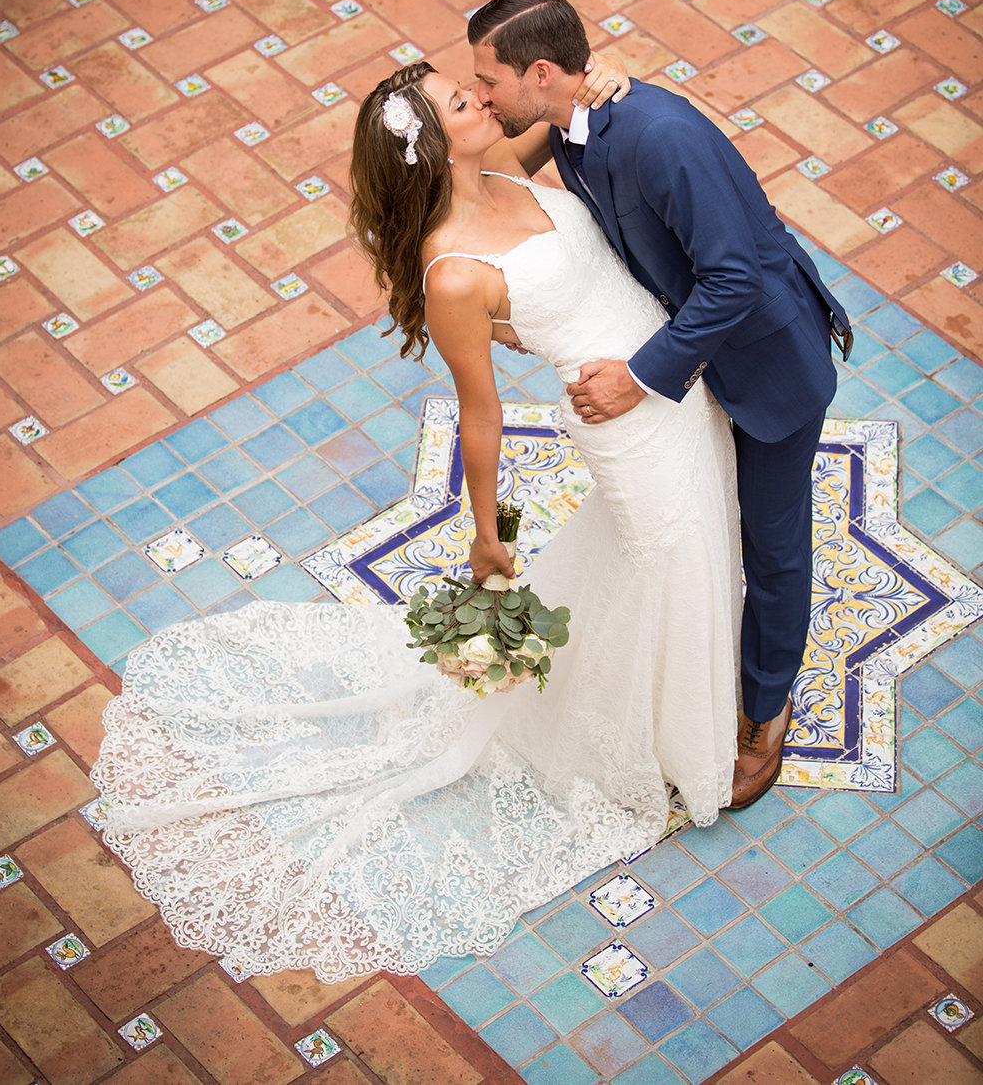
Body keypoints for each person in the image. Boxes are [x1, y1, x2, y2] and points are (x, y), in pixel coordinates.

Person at [91, 55, 743, 985]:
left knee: (681, 546)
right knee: (667, 554)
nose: (480, 97)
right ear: (428, 147)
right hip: (624, 420)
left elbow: (568, 118)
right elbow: (480, 413)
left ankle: (670, 693)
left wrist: (603, 85)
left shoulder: (499, 158)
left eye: (467, 88)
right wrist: (488, 536)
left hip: (669, 374)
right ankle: (671, 743)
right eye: (457, 100)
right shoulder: (451, 272)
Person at [469, 0, 853, 809]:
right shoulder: (566, 117)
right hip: (696, 356)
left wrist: (639, 375)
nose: (483, 96)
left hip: (766, 360)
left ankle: (768, 706)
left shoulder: (662, 137)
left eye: (488, 80)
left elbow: (734, 279)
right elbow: (495, 179)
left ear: (541, 71)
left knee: (774, 547)